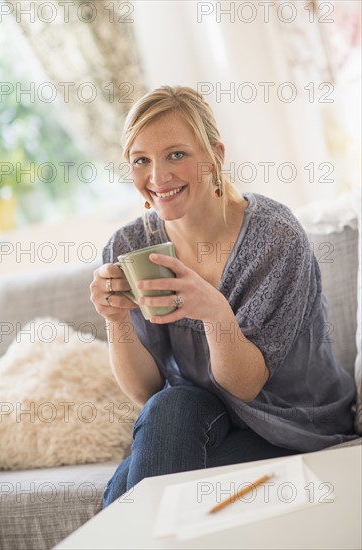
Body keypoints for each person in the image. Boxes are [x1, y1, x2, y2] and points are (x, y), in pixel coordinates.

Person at [90, 86, 357, 507]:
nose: (158, 178)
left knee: (131, 497)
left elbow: (245, 385)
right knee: (169, 406)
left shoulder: (274, 237)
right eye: (141, 160)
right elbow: (147, 392)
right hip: (196, 416)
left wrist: (216, 314)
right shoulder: (129, 246)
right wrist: (116, 320)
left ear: (215, 154)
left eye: (176, 154)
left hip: (290, 424)